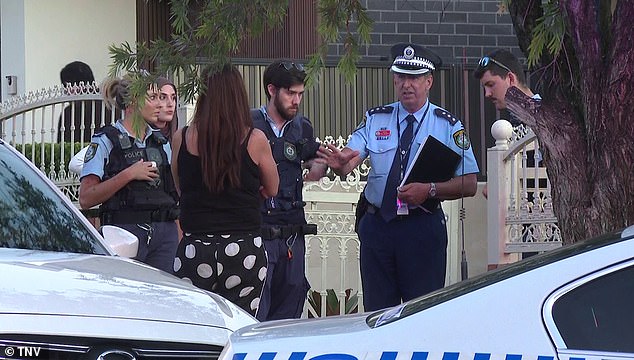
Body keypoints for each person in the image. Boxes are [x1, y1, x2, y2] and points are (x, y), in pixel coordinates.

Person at [318, 43, 479, 311]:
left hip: (421, 228)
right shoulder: (376, 118)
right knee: (378, 313)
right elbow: (349, 161)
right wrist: (340, 163)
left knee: (422, 313)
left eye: (414, 78)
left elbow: (470, 182)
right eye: (402, 77)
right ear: (394, 79)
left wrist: (429, 190)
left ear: (429, 81)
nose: (407, 84)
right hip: (378, 226)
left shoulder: (447, 124)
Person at [171, 64, 279, 316]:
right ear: (238, 95)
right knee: (239, 322)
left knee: (196, 325)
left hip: (195, 246)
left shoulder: (182, 137)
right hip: (243, 248)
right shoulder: (255, 139)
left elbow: (180, 187)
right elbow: (273, 187)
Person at [79, 74, 180, 273]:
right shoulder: (106, 140)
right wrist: (129, 174)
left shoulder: (162, 143)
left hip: (164, 236)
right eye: (153, 98)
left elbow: (174, 194)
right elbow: (86, 198)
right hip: (124, 235)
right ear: (134, 100)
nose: (160, 105)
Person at [252, 59, 326, 321]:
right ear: (272, 90)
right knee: (256, 311)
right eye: (290, 93)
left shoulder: (302, 127)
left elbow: (314, 157)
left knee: (289, 316)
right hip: (259, 232)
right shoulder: (250, 124)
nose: (296, 100)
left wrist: (319, 166)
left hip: (293, 234)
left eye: (300, 94)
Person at [473, 49, 541, 198]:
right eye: (485, 87)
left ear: (510, 78)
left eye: (491, 84)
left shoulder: (544, 118)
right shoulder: (512, 122)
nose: (487, 93)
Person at [57, 61, 109, 143]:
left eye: (66, 85)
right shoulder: (110, 105)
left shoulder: (69, 112)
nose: (65, 91)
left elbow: (62, 147)